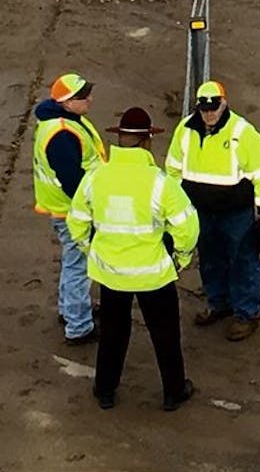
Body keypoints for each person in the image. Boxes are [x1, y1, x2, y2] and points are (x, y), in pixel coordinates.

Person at [68, 108, 198, 411]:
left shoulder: (96, 176)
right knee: (165, 334)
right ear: (147, 142)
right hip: (153, 274)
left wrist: (92, 251)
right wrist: (181, 257)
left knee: (113, 332)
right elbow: (187, 226)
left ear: (120, 139)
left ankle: (105, 390)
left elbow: (77, 221)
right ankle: (173, 392)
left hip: (112, 273)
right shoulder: (160, 182)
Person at [165, 80, 260, 341]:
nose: (209, 114)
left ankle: (246, 313)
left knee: (243, 261)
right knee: (210, 259)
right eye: (204, 109)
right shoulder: (185, 130)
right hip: (201, 211)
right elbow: (173, 168)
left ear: (224, 103)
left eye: (213, 108)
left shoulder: (242, 133)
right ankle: (218, 302)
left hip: (236, 213)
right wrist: (174, 205)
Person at [33, 72, 107, 344]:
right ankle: (79, 327)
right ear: (66, 102)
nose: (89, 99)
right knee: (79, 267)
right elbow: (72, 180)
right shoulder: (62, 132)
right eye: (82, 96)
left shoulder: (63, 122)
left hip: (63, 208)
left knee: (72, 262)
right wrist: (92, 207)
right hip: (72, 211)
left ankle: (69, 311)